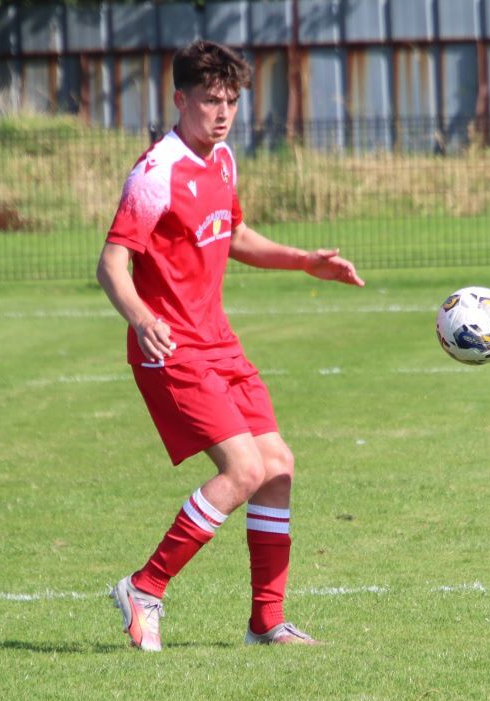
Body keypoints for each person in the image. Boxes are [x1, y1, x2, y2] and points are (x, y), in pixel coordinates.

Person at [97, 39, 364, 651]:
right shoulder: (155, 172)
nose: (221, 112)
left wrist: (304, 262)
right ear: (179, 99)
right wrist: (140, 318)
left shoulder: (222, 161)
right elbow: (112, 264)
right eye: (210, 100)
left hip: (218, 343)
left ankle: (265, 623)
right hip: (170, 348)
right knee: (243, 469)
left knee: (278, 468)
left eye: (232, 101)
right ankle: (144, 587)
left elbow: (236, 234)